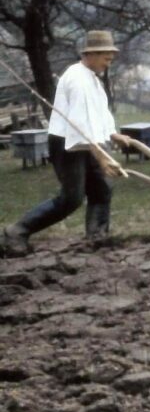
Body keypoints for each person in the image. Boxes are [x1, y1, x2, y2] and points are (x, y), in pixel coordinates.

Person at [2, 31, 132, 256]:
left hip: (88, 142)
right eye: (106, 59)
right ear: (91, 54)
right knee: (71, 198)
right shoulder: (77, 79)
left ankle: (97, 238)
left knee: (101, 190)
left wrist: (112, 134)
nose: (108, 64)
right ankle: (17, 231)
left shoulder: (93, 78)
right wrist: (101, 157)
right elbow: (81, 124)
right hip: (67, 144)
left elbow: (99, 113)